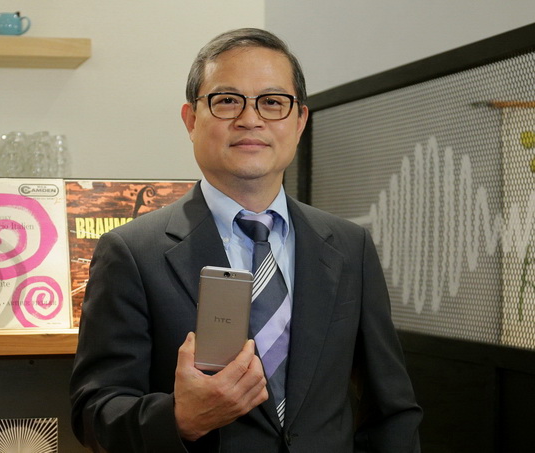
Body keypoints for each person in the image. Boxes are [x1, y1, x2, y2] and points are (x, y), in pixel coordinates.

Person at [70, 27, 422, 452]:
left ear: (300, 121)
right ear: (191, 120)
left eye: (272, 102)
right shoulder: (132, 252)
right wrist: (178, 419)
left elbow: (391, 408)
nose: (250, 119)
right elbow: (94, 413)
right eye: (227, 101)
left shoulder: (350, 246)